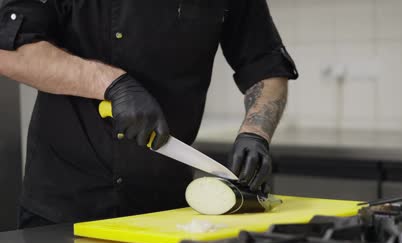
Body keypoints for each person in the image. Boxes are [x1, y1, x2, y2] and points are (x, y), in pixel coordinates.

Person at [0, 0, 298, 228]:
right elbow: (10, 51)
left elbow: (265, 65)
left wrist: (255, 131)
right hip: (64, 209)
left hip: (166, 211)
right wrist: (113, 85)